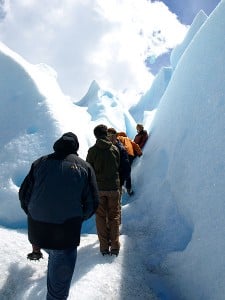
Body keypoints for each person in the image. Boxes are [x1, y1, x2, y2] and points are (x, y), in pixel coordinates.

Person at [19, 132, 99, 300]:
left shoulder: (40, 163)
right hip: (65, 234)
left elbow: (24, 194)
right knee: (58, 290)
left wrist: (34, 215)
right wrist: (76, 218)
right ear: (75, 147)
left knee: (53, 255)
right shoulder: (84, 167)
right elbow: (92, 203)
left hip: (38, 232)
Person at [86, 124, 121, 256]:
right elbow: (117, 165)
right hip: (113, 188)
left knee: (100, 217)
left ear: (95, 135)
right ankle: (115, 246)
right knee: (114, 217)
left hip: (99, 189)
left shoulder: (92, 151)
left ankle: (104, 248)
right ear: (106, 134)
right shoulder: (114, 149)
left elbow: (89, 169)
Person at [107, 128, 131, 223]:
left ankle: (116, 228)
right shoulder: (107, 148)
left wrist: (121, 181)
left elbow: (126, 167)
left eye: (111, 136)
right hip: (107, 183)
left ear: (115, 136)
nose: (109, 138)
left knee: (116, 207)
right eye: (108, 136)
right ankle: (111, 229)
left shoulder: (120, 149)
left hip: (116, 183)